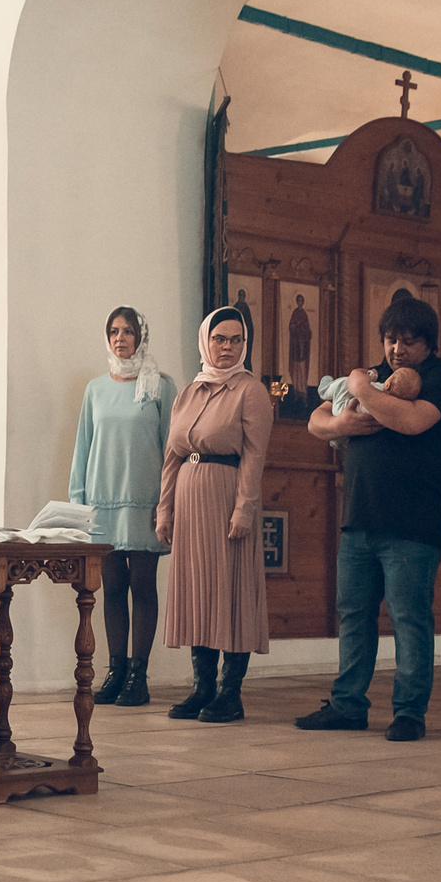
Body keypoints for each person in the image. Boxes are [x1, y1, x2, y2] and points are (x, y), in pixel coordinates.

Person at [295, 296, 441, 741]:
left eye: (408, 342)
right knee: (352, 614)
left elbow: (409, 422)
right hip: (360, 519)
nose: (396, 350)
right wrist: (341, 426)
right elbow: (317, 419)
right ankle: (347, 705)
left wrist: (363, 388)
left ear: (428, 343)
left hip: (413, 525)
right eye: (390, 340)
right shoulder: (374, 376)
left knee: (409, 619)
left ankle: (410, 712)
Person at [156, 306, 271, 721]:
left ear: (245, 344)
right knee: (196, 592)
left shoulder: (250, 391)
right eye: (219, 338)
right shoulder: (189, 392)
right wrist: (164, 509)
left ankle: (230, 692)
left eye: (235, 340)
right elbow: (172, 456)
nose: (226, 347)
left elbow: (255, 457)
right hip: (188, 503)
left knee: (231, 590)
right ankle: (201, 688)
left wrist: (244, 509)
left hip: (226, 502)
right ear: (206, 341)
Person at [69, 306, 176, 707]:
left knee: (142, 586)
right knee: (111, 588)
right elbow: (83, 446)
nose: (120, 338)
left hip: (145, 502)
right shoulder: (95, 388)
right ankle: (115, 673)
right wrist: (78, 503)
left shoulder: (161, 386)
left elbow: (172, 448)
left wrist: (168, 501)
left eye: (128, 331)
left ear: (141, 336)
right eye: (113, 331)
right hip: (102, 503)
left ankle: (139, 676)